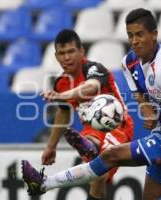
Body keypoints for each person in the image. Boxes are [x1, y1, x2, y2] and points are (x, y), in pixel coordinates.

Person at [22, 8, 161, 200]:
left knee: (109, 157)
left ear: (154, 34)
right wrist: (146, 108)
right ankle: (87, 147)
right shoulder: (129, 63)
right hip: (160, 130)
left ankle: (45, 183)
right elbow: (139, 93)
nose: (134, 41)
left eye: (140, 34)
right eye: (130, 36)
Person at [34, 29, 134, 200]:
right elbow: (64, 113)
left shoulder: (94, 68)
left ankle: (91, 148)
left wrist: (61, 96)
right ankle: (90, 147)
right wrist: (51, 146)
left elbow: (92, 87)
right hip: (91, 130)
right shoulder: (62, 82)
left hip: (117, 127)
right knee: (97, 178)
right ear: (56, 56)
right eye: (62, 53)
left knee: (99, 171)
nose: (66, 57)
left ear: (82, 52)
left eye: (71, 51)